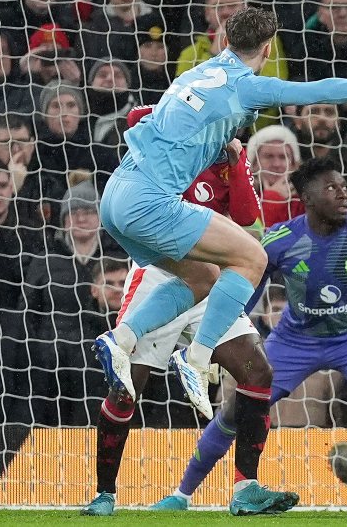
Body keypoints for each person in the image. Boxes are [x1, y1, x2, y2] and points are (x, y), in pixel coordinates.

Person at [93, 6, 347, 515]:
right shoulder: (245, 86)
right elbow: (317, 90)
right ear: (268, 50)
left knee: (214, 284)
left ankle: (130, 342)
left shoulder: (194, 74)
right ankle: (194, 362)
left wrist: (231, 153)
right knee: (250, 258)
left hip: (118, 196)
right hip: (152, 208)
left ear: (222, 36)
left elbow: (159, 129)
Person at [150, 156, 347, 511]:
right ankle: (181, 495)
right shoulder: (281, 241)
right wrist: (217, 340)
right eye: (332, 188)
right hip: (296, 339)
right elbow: (248, 293)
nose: (343, 194)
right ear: (307, 198)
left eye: (344, 187)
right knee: (235, 411)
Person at [81, 107, 267, 517]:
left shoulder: (234, 159)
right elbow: (134, 118)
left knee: (258, 373)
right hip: (159, 275)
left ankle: (246, 487)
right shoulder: (179, 132)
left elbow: (250, 221)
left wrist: (235, 163)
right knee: (127, 385)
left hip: (211, 280)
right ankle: (104, 493)